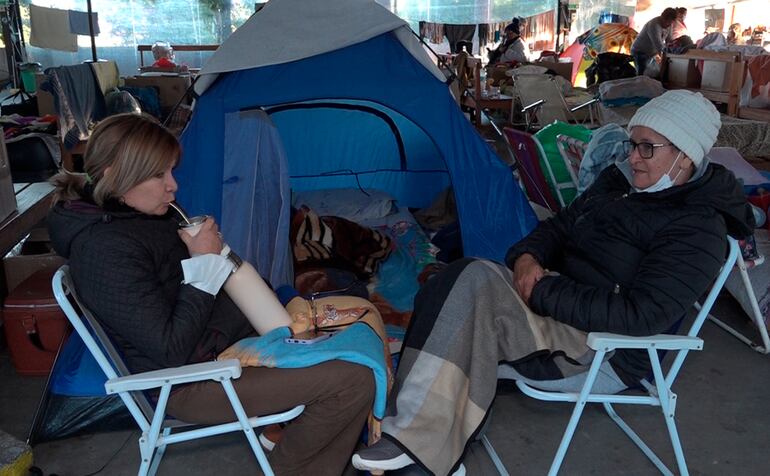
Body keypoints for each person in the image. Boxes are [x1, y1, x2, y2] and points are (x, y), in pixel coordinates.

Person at [351, 90, 754, 475]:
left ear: (685, 154)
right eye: (633, 144)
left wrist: (541, 290)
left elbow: (641, 314)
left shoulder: (697, 227)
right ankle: (416, 416)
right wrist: (527, 259)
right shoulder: (620, 185)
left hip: (602, 346)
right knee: (454, 277)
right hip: (559, 303)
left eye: (647, 147)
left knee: (472, 286)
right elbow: (559, 226)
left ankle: (416, 440)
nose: (632, 157)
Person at [47, 114, 375, 476]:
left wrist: (217, 256)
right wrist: (203, 262)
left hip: (225, 346)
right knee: (353, 378)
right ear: (113, 174)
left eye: (171, 171)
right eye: (159, 175)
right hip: (190, 381)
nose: (173, 186)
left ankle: (297, 439)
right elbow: (171, 349)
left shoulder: (141, 216)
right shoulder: (103, 250)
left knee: (356, 329)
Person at [631, 8, 678, 75]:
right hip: (639, 51)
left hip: (651, 53)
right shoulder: (654, 25)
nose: (668, 25)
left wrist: (672, 50)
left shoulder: (669, 25)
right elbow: (659, 45)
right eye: (667, 22)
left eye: (670, 23)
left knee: (650, 74)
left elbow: (669, 41)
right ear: (662, 17)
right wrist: (665, 60)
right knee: (641, 75)